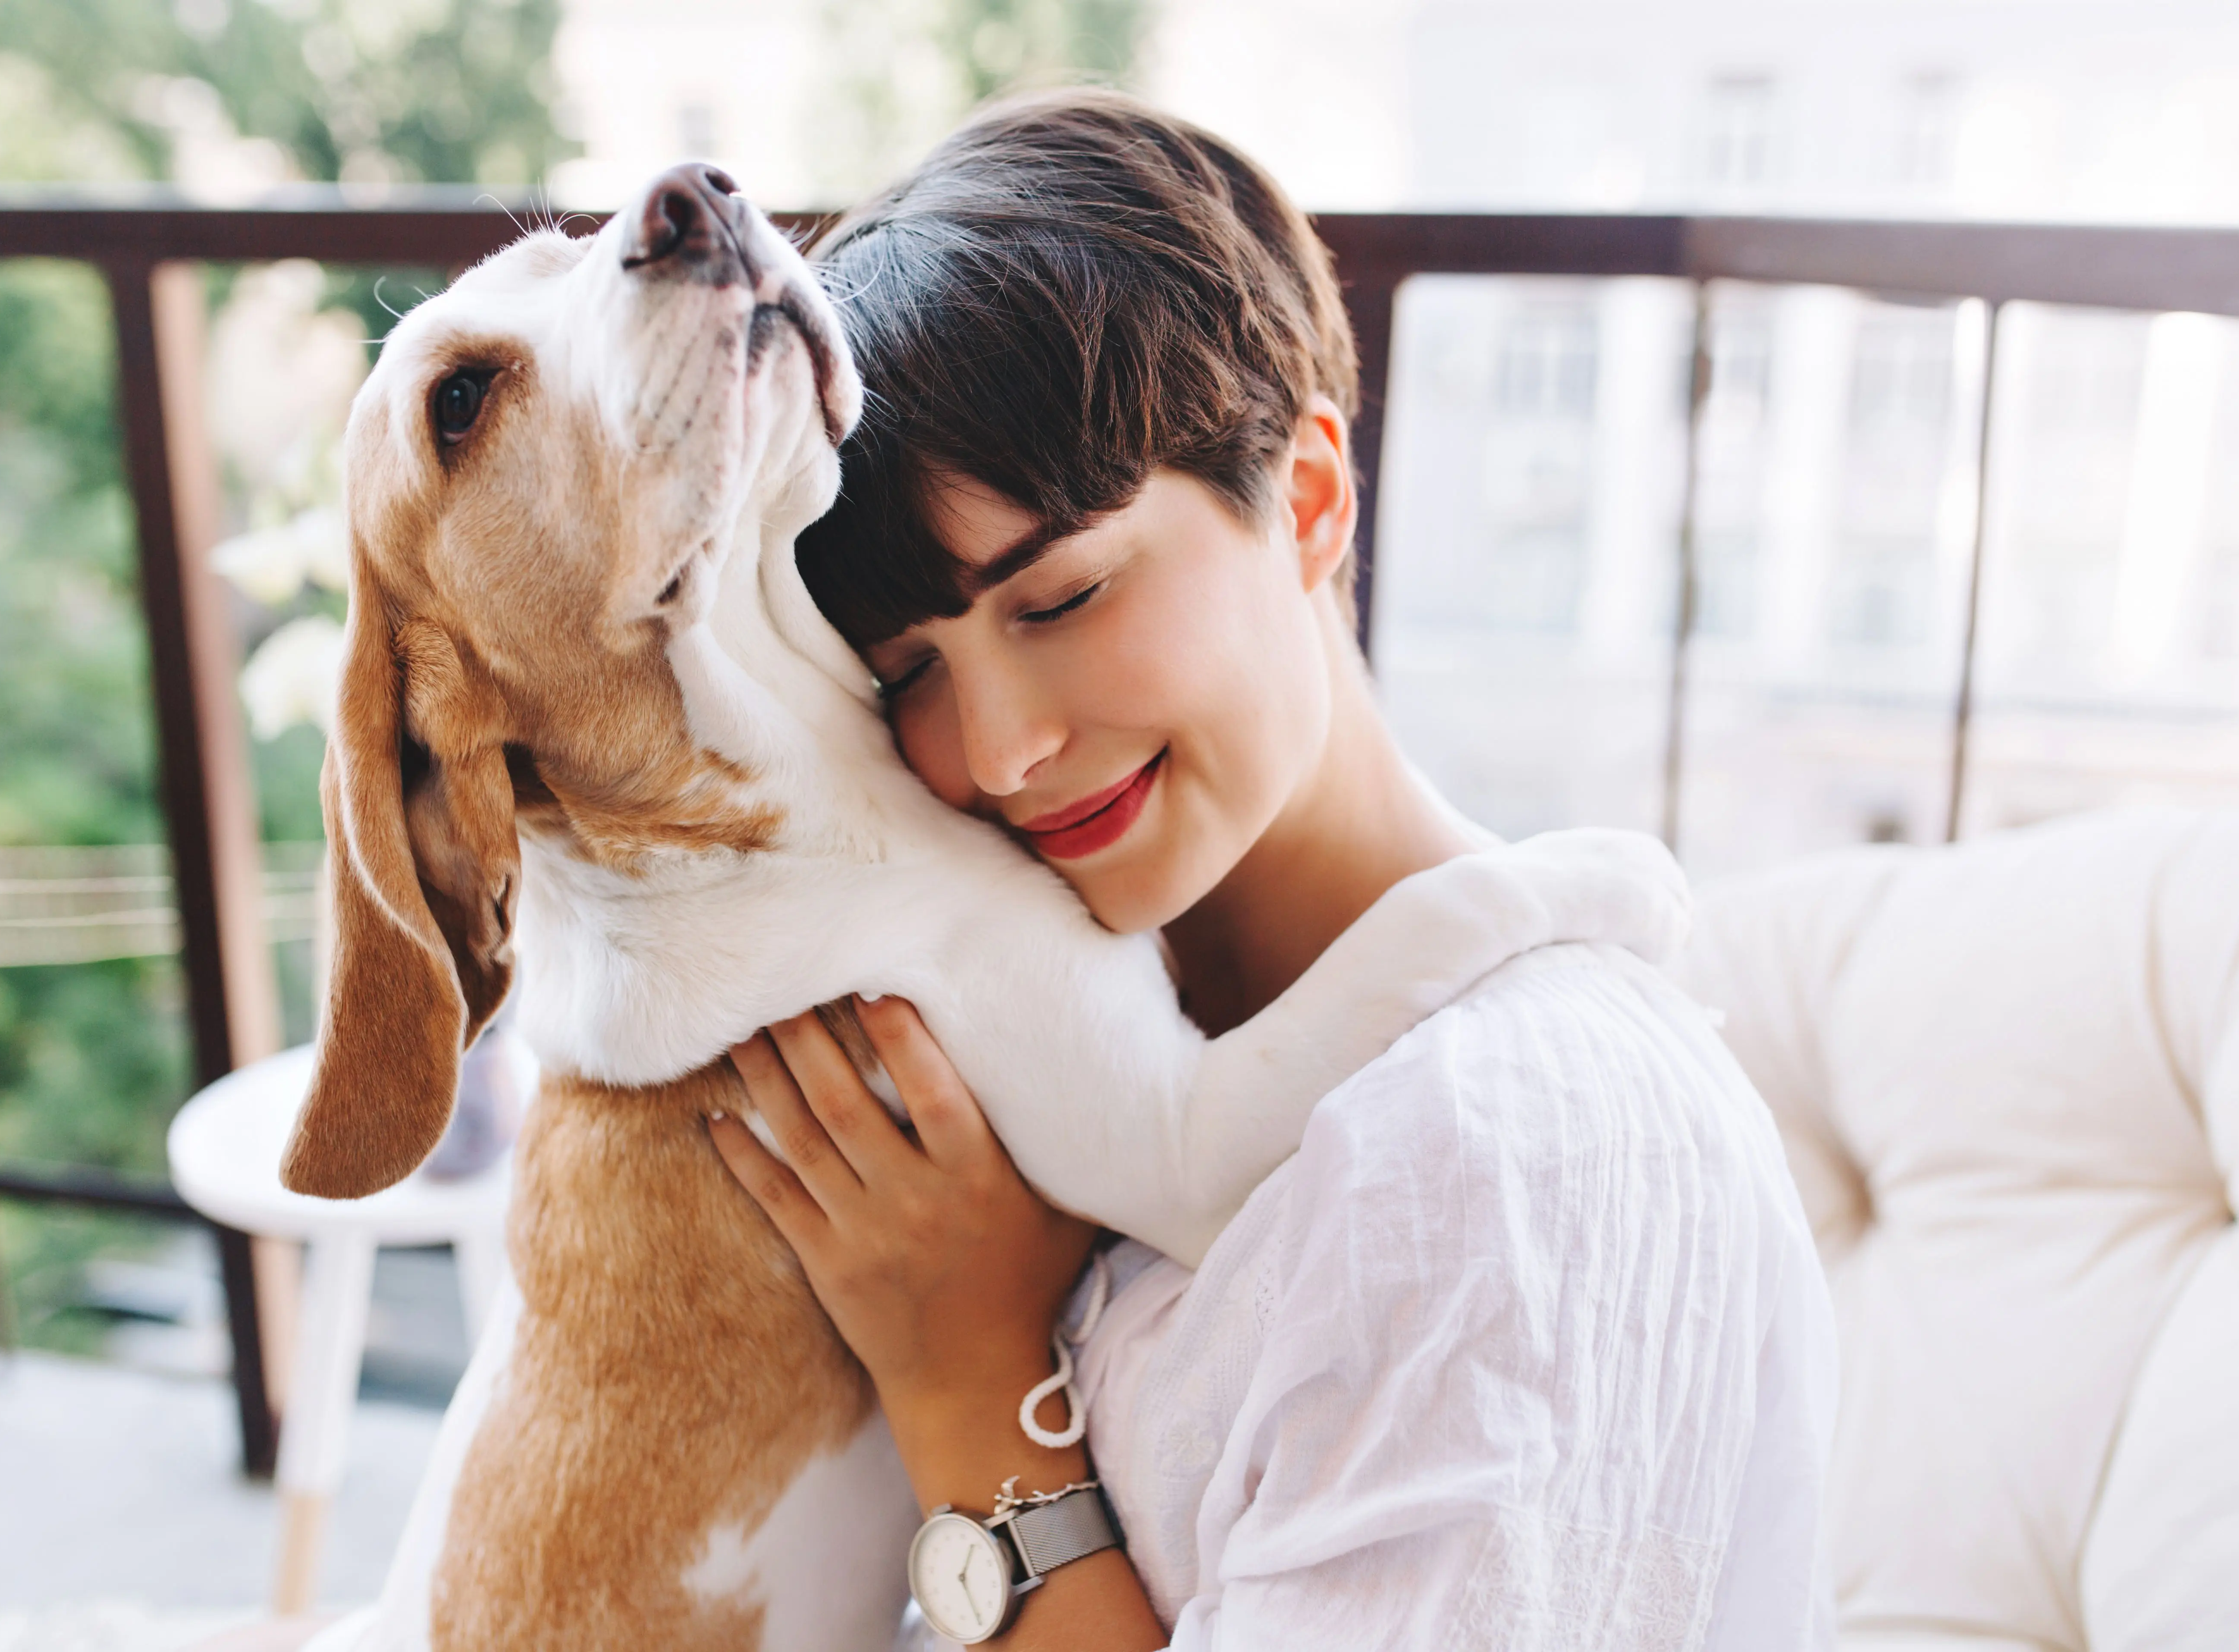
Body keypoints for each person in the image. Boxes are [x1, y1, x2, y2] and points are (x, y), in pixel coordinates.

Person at [706, 90, 1837, 1650]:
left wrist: (970, 1389)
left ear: (1305, 496)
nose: (1004, 745)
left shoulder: (1499, 1159)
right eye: (909, 671)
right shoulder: (1061, 1042)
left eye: (1063, 596)